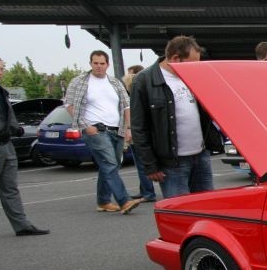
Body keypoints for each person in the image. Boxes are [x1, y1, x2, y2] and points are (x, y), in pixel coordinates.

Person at [130, 36, 223, 198]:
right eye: (191, 63)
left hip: (201, 156)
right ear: (175, 58)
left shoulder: (193, 76)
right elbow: (139, 127)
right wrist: (151, 165)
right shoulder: (144, 81)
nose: (196, 67)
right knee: (180, 210)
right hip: (172, 163)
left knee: (206, 207)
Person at [0, 55, 49, 241]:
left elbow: (8, 115)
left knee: (10, 188)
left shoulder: (1, 91)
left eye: (1, 68)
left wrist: (17, 129)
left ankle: (22, 226)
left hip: (6, 144)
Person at [64, 52, 143, 215]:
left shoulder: (115, 82)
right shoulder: (79, 82)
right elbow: (69, 105)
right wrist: (86, 127)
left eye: (102, 63)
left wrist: (128, 128)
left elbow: (126, 105)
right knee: (110, 164)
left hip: (116, 129)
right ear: (90, 64)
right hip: (96, 130)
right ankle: (124, 201)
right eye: (95, 63)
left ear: (107, 65)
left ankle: (103, 201)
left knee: (110, 165)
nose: (99, 66)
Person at [123, 66, 157, 202]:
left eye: (129, 75)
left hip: (139, 134)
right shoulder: (148, 90)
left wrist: (129, 129)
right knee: (141, 164)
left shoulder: (135, 93)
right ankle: (144, 190)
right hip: (144, 132)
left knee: (142, 165)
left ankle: (148, 193)